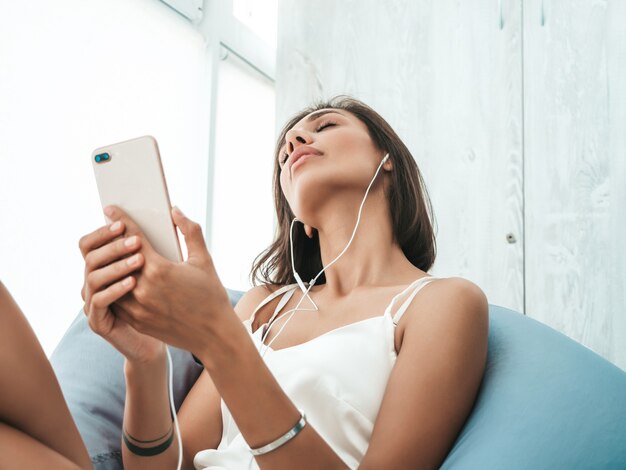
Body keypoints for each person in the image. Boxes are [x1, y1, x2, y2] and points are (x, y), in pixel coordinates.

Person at [0, 95, 488, 469]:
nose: (295, 143)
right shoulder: (263, 307)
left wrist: (218, 338)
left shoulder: (442, 304)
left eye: (324, 127)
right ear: (295, 212)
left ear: (387, 161)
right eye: (284, 151)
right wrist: (146, 361)